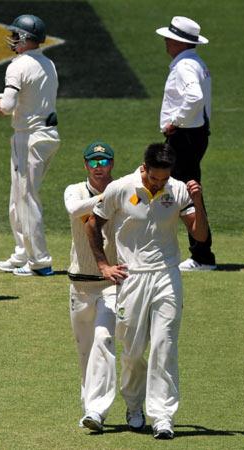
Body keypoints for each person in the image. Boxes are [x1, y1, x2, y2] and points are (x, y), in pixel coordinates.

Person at [87, 143, 209, 439]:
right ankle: (133, 406)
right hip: (131, 278)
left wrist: (198, 201)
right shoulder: (120, 188)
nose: (159, 184)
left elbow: (200, 235)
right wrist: (103, 265)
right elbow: (93, 224)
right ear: (144, 167)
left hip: (167, 275)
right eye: (154, 179)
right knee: (132, 350)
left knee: (164, 345)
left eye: (164, 179)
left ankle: (162, 415)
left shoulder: (177, 189)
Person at [0, 14, 60, 277]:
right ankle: (22, 252)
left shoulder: (18, 65)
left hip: (30, 137)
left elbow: (8, 106)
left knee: (27, 198)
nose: (12, 39)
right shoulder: (48, 63)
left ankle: (40, 262)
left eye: (15, 35)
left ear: (24, 38)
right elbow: (32, 98)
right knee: (17, 197)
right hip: (44, 134)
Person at [64, 141, 122, 432]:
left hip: (110, 284)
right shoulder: (75, 190)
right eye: (94, 162)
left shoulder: (123, 192)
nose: (99, 167)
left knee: (104, 341)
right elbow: (75, 209)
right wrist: (110, 195)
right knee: (85, 351)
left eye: (104, 161)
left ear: (112, 163)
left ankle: (97, 411)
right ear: (86, 165)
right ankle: (89, 406)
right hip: (80, 284)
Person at [156, 16, 216, 271]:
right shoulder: (194, 63)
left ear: (179, 42)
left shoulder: (184, 67)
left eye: (170, 38)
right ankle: (199, 252)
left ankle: (201, 255)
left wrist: (175, 123)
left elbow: (195, 97)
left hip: (185, 137)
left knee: (179, 188)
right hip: (194, 135)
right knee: (179, 187)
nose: (166, 42)